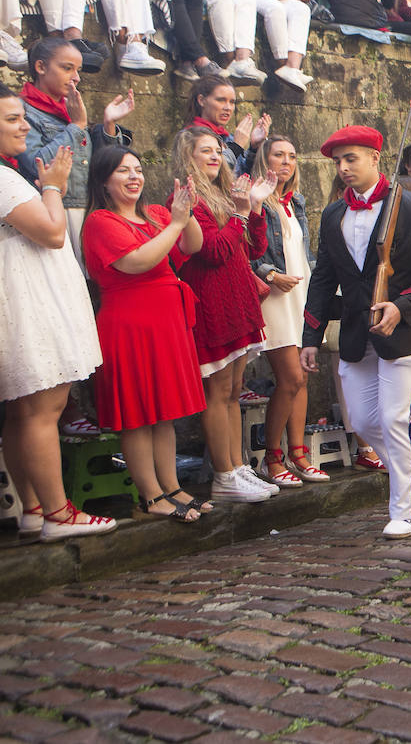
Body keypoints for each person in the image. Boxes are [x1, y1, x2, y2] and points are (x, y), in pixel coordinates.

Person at [301, 125, 411, 538]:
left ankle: (404, 509)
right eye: (338, 162)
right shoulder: (332, 214)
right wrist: (310, 337)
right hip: (354, 333)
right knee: (365, 423)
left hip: (405, 332)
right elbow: (323, 279)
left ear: (374, 158)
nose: (344, 168)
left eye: (351, 159)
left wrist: (401, 307)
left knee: (394, 418)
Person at [1, 84, 114, 541]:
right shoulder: (5, 178)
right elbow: (50, 232)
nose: (24, 125)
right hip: (26, 296)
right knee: (42, 407)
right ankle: (57, 513)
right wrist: (53, 188)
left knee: (23, 410)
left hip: (24, 291)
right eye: (12, 119)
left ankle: (32, 508)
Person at [84, 145, 209, 522]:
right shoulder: (101, 222)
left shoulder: (155, 214)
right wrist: (174, 224)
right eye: (123, 171)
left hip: (166, 322)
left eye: (137, 169)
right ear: (104, 181)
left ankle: (171, 486)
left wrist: (184, 215)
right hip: (130, 324)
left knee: (164, 412)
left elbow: (193, 245)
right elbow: (137, 262)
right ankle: (150, 495)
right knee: (137, 414)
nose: (134, 176)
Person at [172, 126, 276, 503]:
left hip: (237, 299)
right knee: (217, 391)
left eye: (218, 150)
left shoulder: (222, 194)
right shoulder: (188, 198)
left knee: (234, 390)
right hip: (212, 301)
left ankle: (238, 465)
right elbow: (212, 252)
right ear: (189, 157)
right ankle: (224, 473)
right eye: (206, 151)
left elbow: (255, 246)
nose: (216, 156)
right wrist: (241, 214)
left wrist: (256, 209)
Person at [16, 38, 136, 272]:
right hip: (53, 212)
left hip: (87, 211)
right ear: (41, 67)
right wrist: (77, 125)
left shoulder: (69, 109)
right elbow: (34, 164)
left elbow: (100, 168)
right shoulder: (22, 112)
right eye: (67, 68)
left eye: (78, 70)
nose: (76, 77)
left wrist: (108, 125)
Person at [250, 134, 327, 487]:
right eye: (278, 155)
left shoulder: (295, 201)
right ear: (263, 159)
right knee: (291, 378)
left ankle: (298, 454)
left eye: (292, 156)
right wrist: (270, 274)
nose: (286, 161)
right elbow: (250, 249)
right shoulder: (257, 200)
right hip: (275, 297)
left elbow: (305, 253)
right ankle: (272, 458)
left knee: (303, 377)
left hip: (300, 295)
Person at [183, 75, 269, 173]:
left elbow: (242, 175)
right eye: (221, 100)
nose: (228, 108)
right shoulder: (188, 137)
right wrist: (236, 147)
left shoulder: (228, 138)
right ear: (202, 100)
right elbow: (211, 175)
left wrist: (254, 148)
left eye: (232, 102)